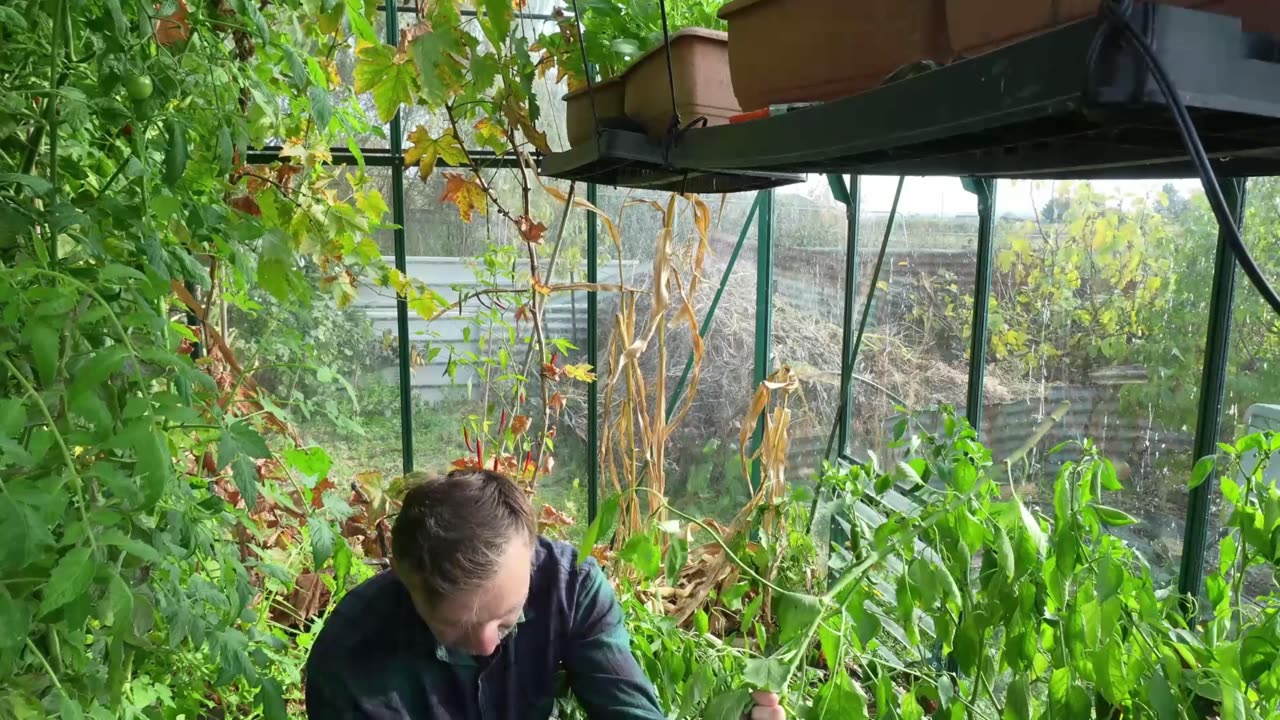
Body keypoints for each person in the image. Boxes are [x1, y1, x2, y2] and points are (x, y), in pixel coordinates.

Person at [304, 468, 786, 720]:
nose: (488, 646)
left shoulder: (568, 588)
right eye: (456, 628)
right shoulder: (352, 656)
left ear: (530, 554)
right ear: (407, 581)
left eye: (507, 619)